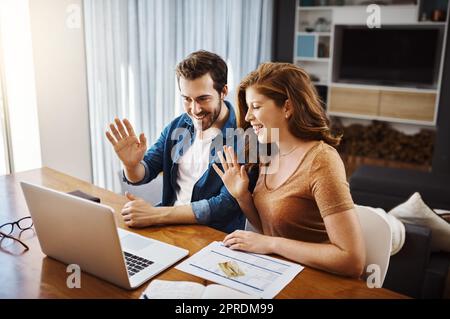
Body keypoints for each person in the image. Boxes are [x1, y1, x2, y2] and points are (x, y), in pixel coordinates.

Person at [212, 62, 366, 277]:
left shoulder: (321, 161)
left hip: (320, 281)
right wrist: (243, 197)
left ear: (287, 107)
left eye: (255, 107)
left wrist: (272, 244)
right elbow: (271, 229)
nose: (247, 117)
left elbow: (352, 260)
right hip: (280, 272)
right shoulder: (268, 153)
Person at [105, 50, 256, 233]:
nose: (195, 109)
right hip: (168, 227)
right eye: (187, 99)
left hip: (213, 237)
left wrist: (155, 215)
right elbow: (144, 172)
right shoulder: (179, 126)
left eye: (203, 99)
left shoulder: (248, 136)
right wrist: (131, 165)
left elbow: (225, 205)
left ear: (223, 91)